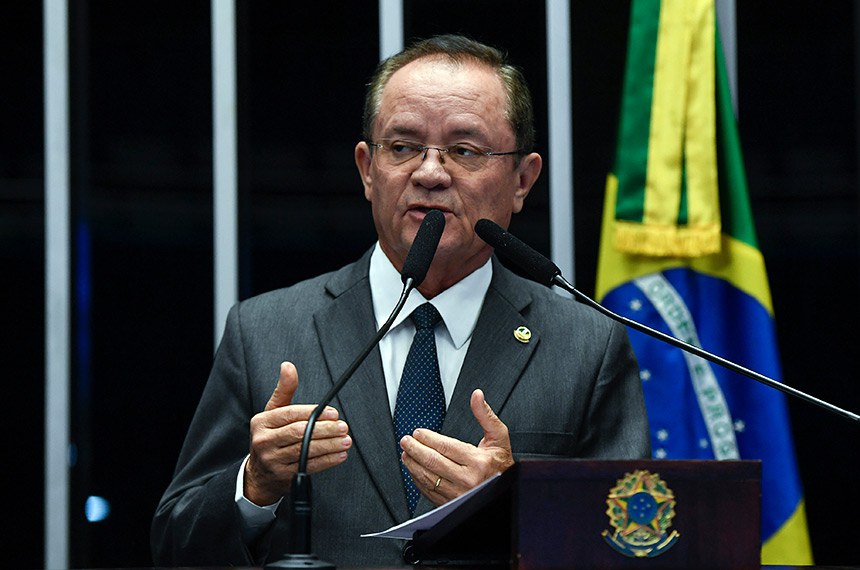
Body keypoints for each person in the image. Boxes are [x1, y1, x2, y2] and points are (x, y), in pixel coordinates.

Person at [151, 34, 649, 567]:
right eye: (403, 147)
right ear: (368, 169)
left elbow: (632, 547)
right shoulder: (266, 331)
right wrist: (254, 487)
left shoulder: (586, 344)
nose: (430, 173)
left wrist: (515, 510)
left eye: (465, 150)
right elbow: (176, 547)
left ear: (522, 179)